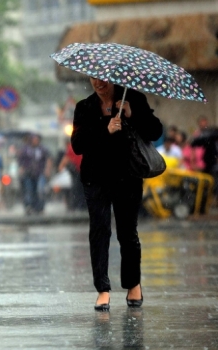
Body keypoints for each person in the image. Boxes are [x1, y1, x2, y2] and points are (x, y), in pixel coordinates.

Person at [72, 78, 162, 311]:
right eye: (93, 79)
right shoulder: (85, 107)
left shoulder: (132, 99)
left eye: (103, 79)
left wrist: (133, 115)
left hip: (127, 177)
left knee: (127, 233)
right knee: (99, 232)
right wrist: (105, 129)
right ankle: (102, 289)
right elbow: (78, 144)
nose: (98, 83)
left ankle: (133, 284)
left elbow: (155, 131)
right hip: (96, 179)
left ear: (113, 78)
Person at [17, 134, 52, 214]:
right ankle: (29, 206)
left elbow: (48, 158)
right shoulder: (25, 150)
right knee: (29, 190)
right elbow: (20, 160)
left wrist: (47, 169)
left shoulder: (42, 149)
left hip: (40, 172)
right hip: (28, 173)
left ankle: (40, 207)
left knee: (40, 190)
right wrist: (21, 168)